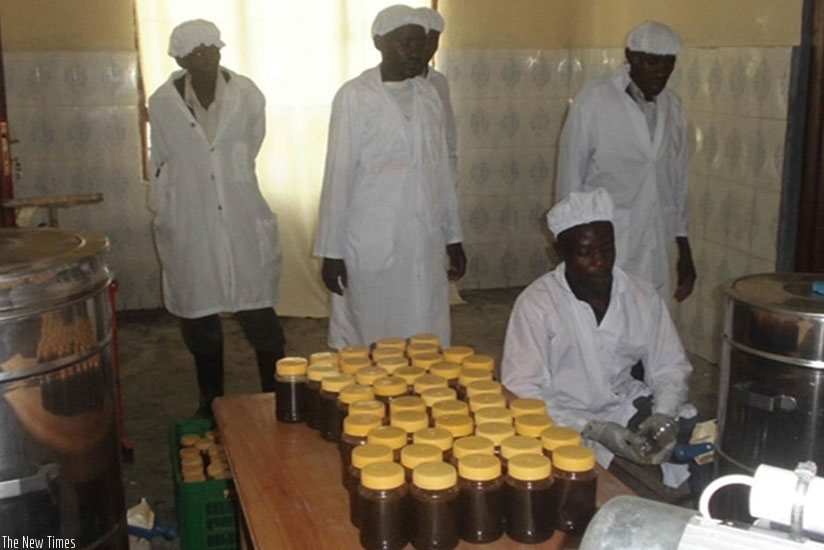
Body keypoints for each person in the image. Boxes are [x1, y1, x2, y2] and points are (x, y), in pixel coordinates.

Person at [501, 188, 696, 488]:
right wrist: (592, 428)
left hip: (623, 406)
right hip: (558, 418)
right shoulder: (537, 304)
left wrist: (662, 419)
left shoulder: (641, 295)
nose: (600, 261)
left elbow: (669, 367)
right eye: (585, 252)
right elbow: (522, 389)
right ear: (559, 253)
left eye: (607, 248)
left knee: (697, 447)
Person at [148, 19, 285, 416]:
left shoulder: (247, 94)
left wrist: (228, 175)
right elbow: (162, 157)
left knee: (259, 313)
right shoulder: (163, 102)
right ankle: (211, 400)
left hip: (242, 215)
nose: (208, 58)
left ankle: (277, 396)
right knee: (199, 318)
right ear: (181, 59)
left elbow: (252, 143)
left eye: (213, 50)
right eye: (197, 53)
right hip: (190, 218)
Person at [314, 5, 466, 349]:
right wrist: (332, 251)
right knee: (370, 332)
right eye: (405, 43)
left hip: (423, 237)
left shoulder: (428, 95)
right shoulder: (355, 96)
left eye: (420, 43)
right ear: (380, 43)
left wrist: (453, 237)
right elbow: (337, 177)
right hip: (370, 239)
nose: (416, 52)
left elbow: (441, 172)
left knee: (425, 328)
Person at [555, 21, 696, 302]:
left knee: (650, 323)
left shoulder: (673, 106)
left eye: (668, 64)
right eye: (651, 62)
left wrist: (684, 248)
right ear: (630, 57)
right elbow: (570, 176)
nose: (660, 72)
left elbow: (677, 179)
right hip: (605, 244)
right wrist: (568, 244)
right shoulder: (595, 99)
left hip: (657, 238)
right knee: (605, 325)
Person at [416, 7, 457, 184]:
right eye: (424, 40)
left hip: (436, 178)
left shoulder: (439, 82)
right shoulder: (388, 83)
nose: (428, 47)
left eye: (434, 40)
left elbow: (448, 133)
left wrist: (451, 175)